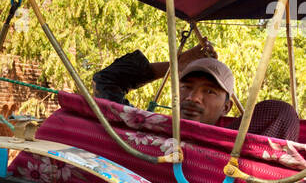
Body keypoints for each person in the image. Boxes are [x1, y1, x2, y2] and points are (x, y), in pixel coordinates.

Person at [93, 43, 300, 139]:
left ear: (226, 108)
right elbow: (106, 80)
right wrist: (175, 64)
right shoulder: (142, 129)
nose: (193, 98)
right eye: (186, 87)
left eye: (209, 92)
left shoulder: (231, 147)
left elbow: (282, 114)